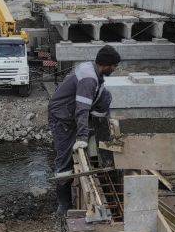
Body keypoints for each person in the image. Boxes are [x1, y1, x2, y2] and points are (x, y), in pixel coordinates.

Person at [48, 45, 121, 213]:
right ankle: (64, 203)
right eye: (114, 66)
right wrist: (82, 137)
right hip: (62, 117)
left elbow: (95, 102)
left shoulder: (92, 70)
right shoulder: (89, 79)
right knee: (64, 159)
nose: (115, 69)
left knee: (106, 96)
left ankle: (101, 144)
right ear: (106, 65)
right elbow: (81, 108)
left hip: (70, 112)